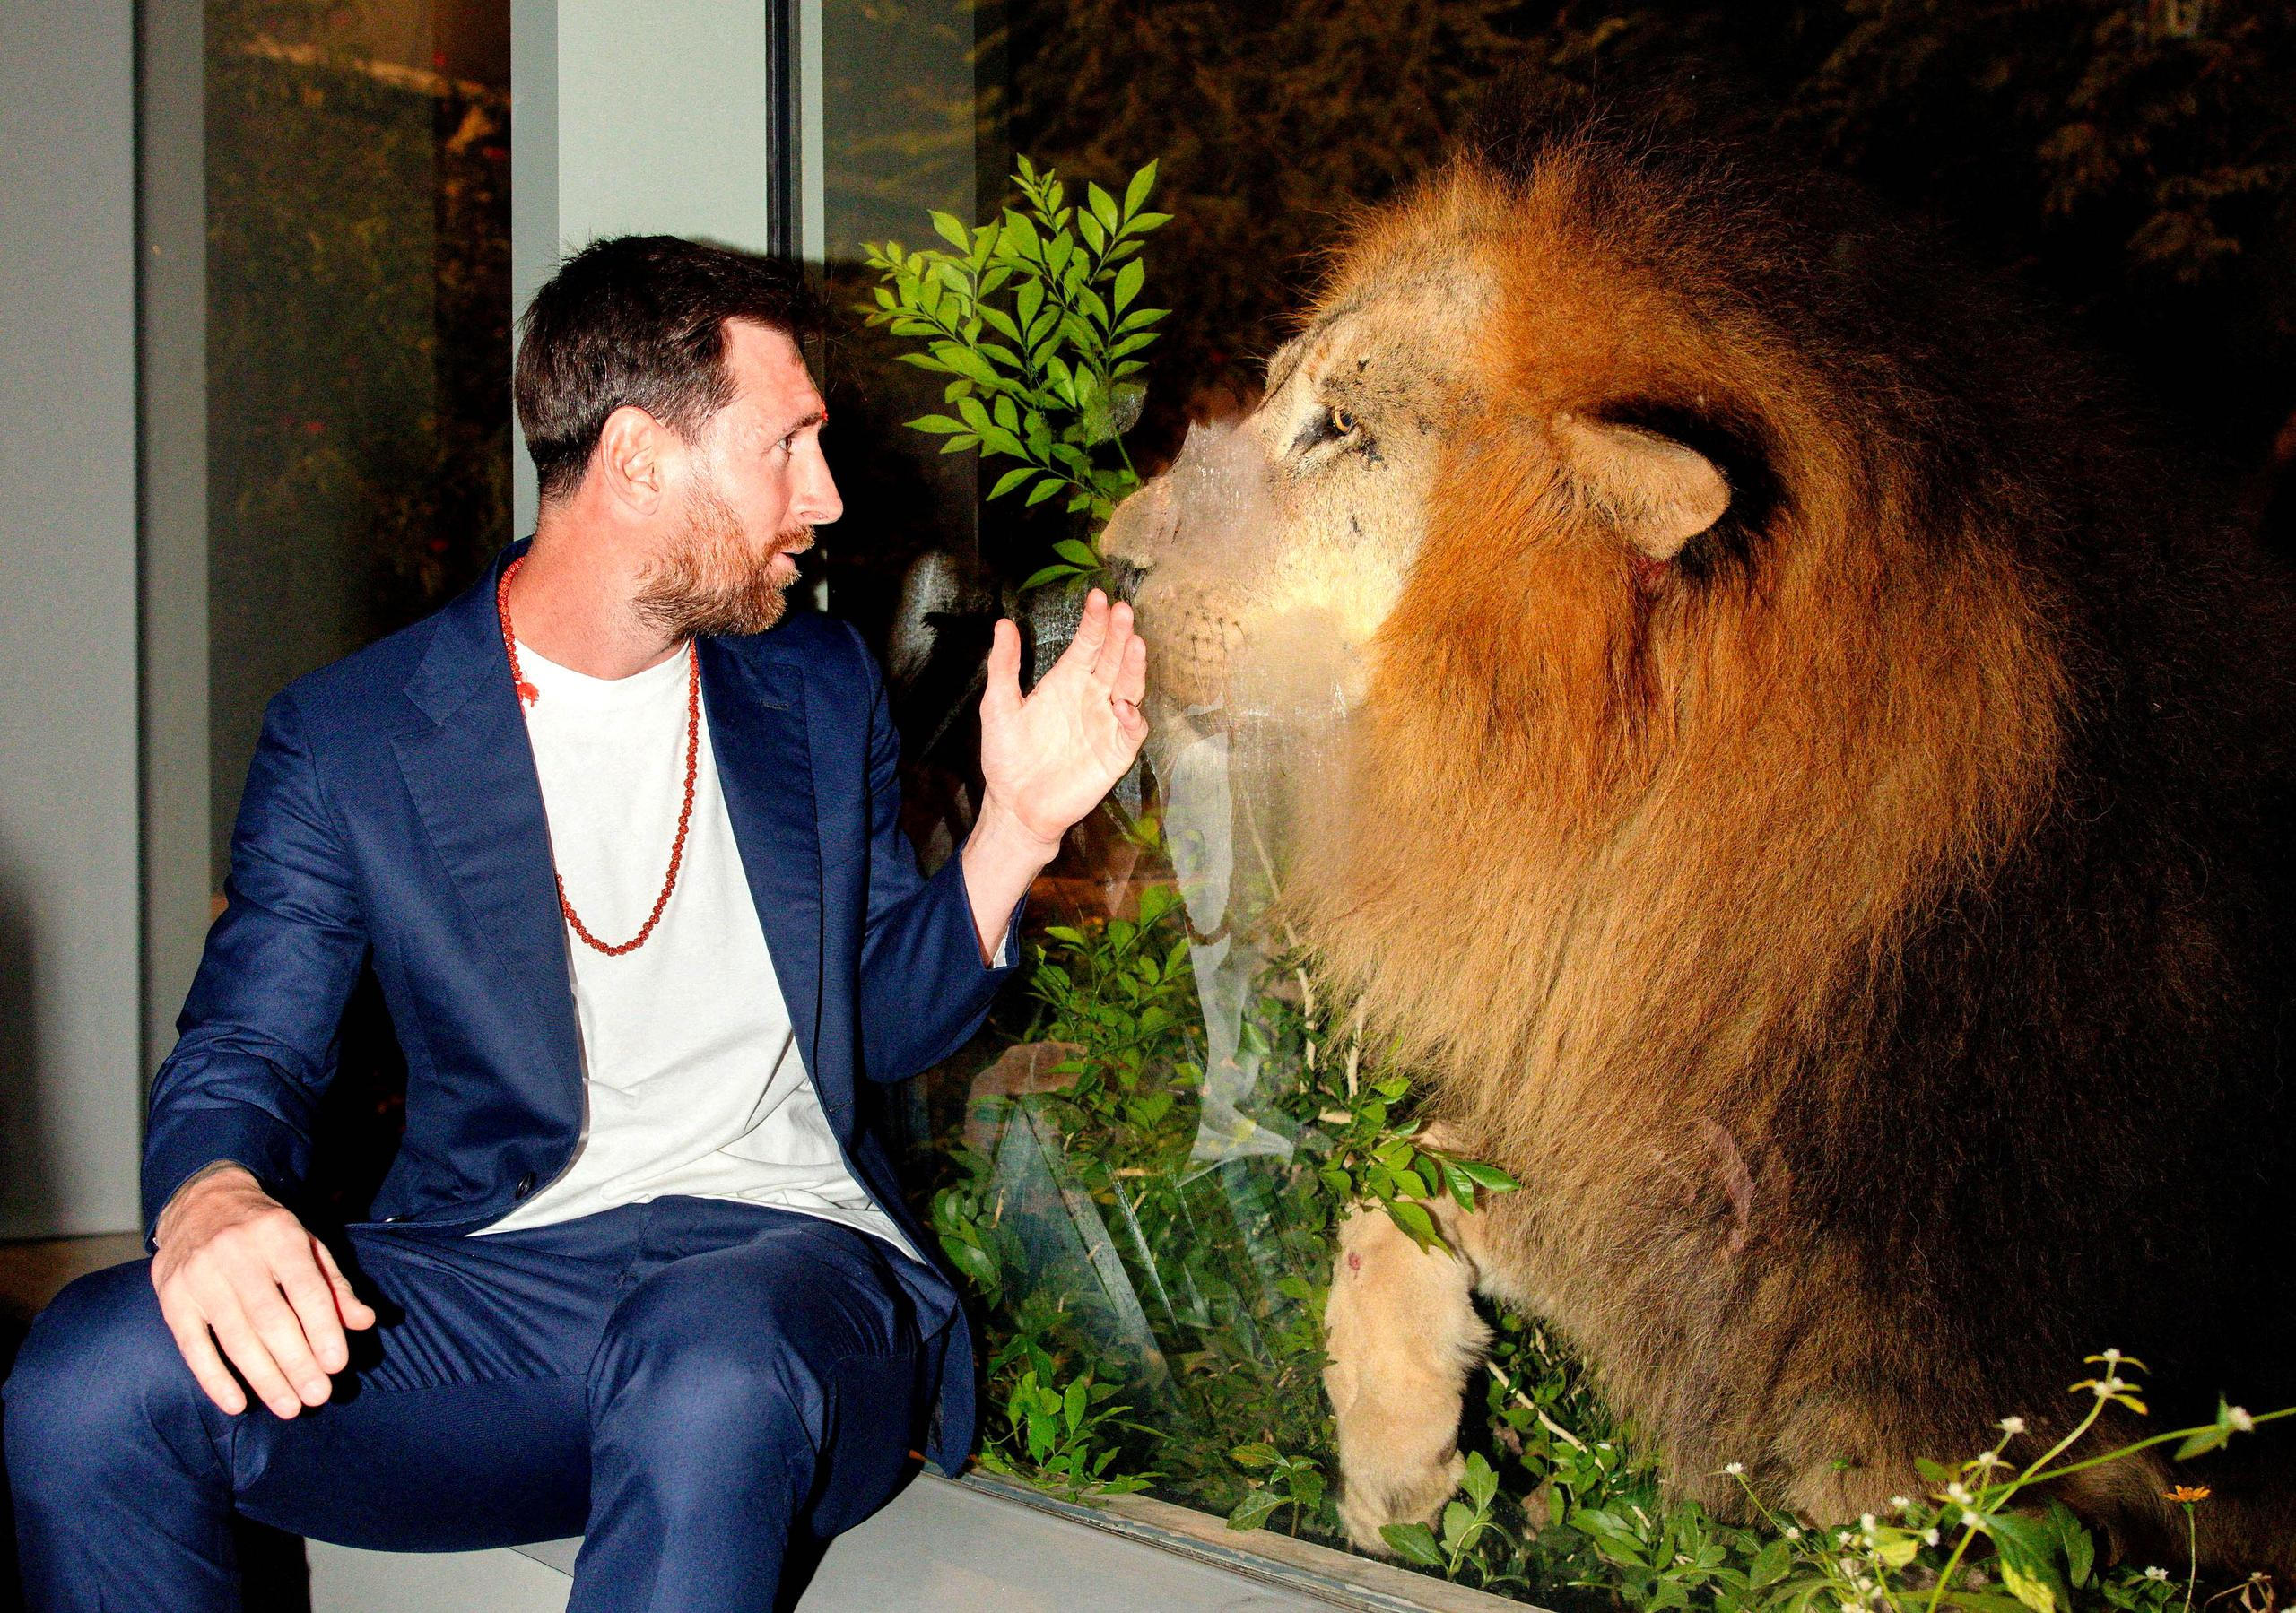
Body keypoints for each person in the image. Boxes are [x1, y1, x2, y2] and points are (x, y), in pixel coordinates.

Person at [2, 234, 1150, 1610]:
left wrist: (1016, 830)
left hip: (786, 1281)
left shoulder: (814, 685)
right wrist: (213, 1196)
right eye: (787, 444)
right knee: (93, 1374)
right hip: (510, 1294)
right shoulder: (353, 738)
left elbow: (883, 1023)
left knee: (705, 1359)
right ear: (638, 459)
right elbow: (246, 1046)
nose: (827, 496)